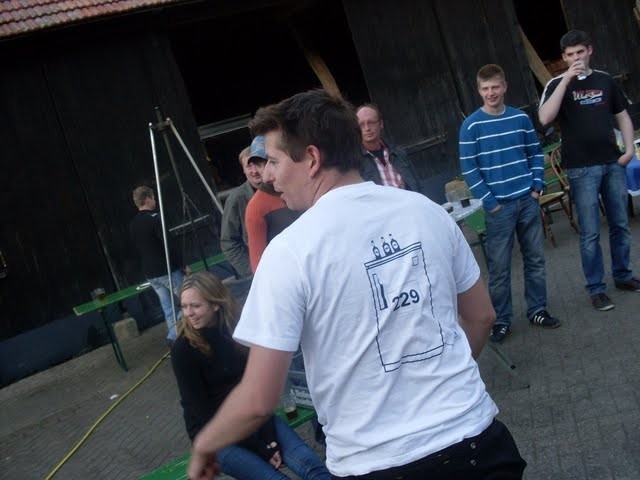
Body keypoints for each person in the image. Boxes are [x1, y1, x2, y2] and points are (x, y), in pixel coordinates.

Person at [187, 90, 526, 480]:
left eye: (275, 162)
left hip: (376, 463)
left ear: (312, 158)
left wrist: (205, 443)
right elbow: (481, 317)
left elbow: (259, 399)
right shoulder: (426, 211)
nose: (269, 176)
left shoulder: (289, 252)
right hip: (478, 442)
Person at [171, 270, 330, 480]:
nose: (188, 313)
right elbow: (203, 412)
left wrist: (269, 438)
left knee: (311, 466)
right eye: (184, 306)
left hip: (254, 418)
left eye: (195, 306)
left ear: (215, 304)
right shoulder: (183, 350)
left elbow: (257, 389)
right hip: (216, 435)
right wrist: (262, 448)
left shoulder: (236, 332)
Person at [459, 64, 561, 344]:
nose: (490, 93)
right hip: (499, 209)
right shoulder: (471, 126)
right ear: (479, 91)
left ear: (504, 87)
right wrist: (490, 203)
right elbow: (470, 169)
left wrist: (537, 187)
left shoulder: (520, 118)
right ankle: (501, 320)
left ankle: (538, 310)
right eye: (485, 88)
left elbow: (535, 153)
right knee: (499, 269)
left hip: (527, 201)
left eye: (495, 87)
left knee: (535, 260)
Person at [538, 30, 639, 311]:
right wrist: (566, 79)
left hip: (612, 162)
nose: (576, 58)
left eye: (580, 52)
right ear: (563, 57)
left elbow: (623, 116)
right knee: (590, 232)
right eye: (570, 55)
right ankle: (596, 289)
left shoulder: (605, 80)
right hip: (581, 168)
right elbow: (545, 118)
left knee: (620, 224)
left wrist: (629, 150)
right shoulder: (556, 84)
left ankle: (623, 275)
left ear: (590, 51)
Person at [129, 186, 189, 346]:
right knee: (187, 299)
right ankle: (190, 333)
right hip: (166, 269)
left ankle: (174, 336)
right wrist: (182, 264)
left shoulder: (133, 224)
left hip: (150, 273)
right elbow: (169, 245)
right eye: (153, 197)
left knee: (168, 306)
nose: (155, 200)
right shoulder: (155, 218)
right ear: (147, 199)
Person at [245, 135, 302, 273]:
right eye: (260, 164)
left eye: (271, 162)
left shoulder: (304, 188)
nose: (264, 171)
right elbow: (259, 266)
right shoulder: (256, 207)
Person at [220, 142, 266, 278]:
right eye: (249, 166)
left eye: (258, 164)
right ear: (243, 170)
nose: (254, 171)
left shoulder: (280, 188)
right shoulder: (236, 199)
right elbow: (228, 243)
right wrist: (252, 271)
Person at [356, 104, 422, 192]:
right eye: (361, 125)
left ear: (381, 124)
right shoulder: (356, 162)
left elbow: (417, 185)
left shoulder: (398, 153)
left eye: (371, 122)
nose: (367, 128)